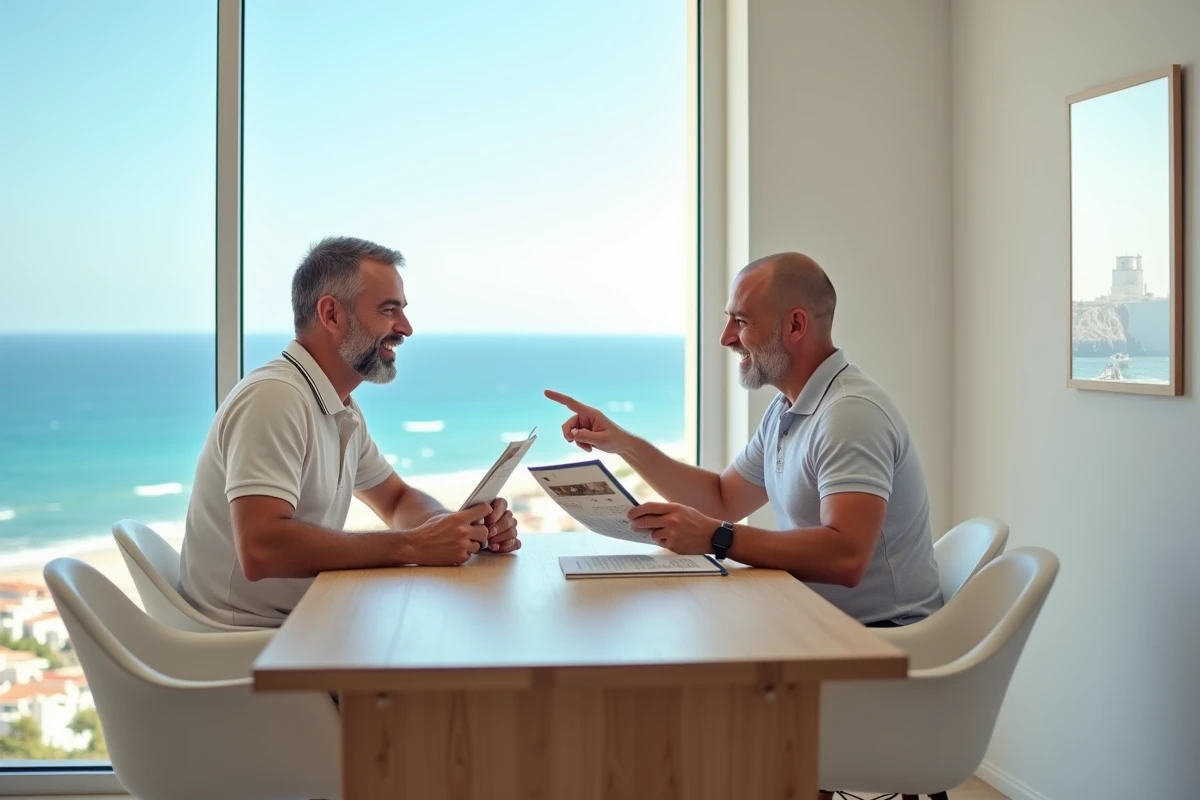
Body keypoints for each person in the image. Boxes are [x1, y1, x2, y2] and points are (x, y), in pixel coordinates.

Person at [546, 252, 941, 628]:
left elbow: (846, 557)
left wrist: (718, 537)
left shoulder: (850, 414)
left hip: (880, 638)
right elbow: (723, 498)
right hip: (820, 621)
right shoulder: (788, 410)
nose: (725, 338)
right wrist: (622, 443)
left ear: (795, 325)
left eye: (741, 321)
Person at [179, 236, 520, 628]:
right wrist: (413, 544)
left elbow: (396, 500)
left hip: (298, 624)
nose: (405, 328)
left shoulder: (336, 404)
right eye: (389, 310)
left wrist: (457, 530)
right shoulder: (275, 398)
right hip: (247, 643)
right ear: (332, 314)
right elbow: (260, 548)